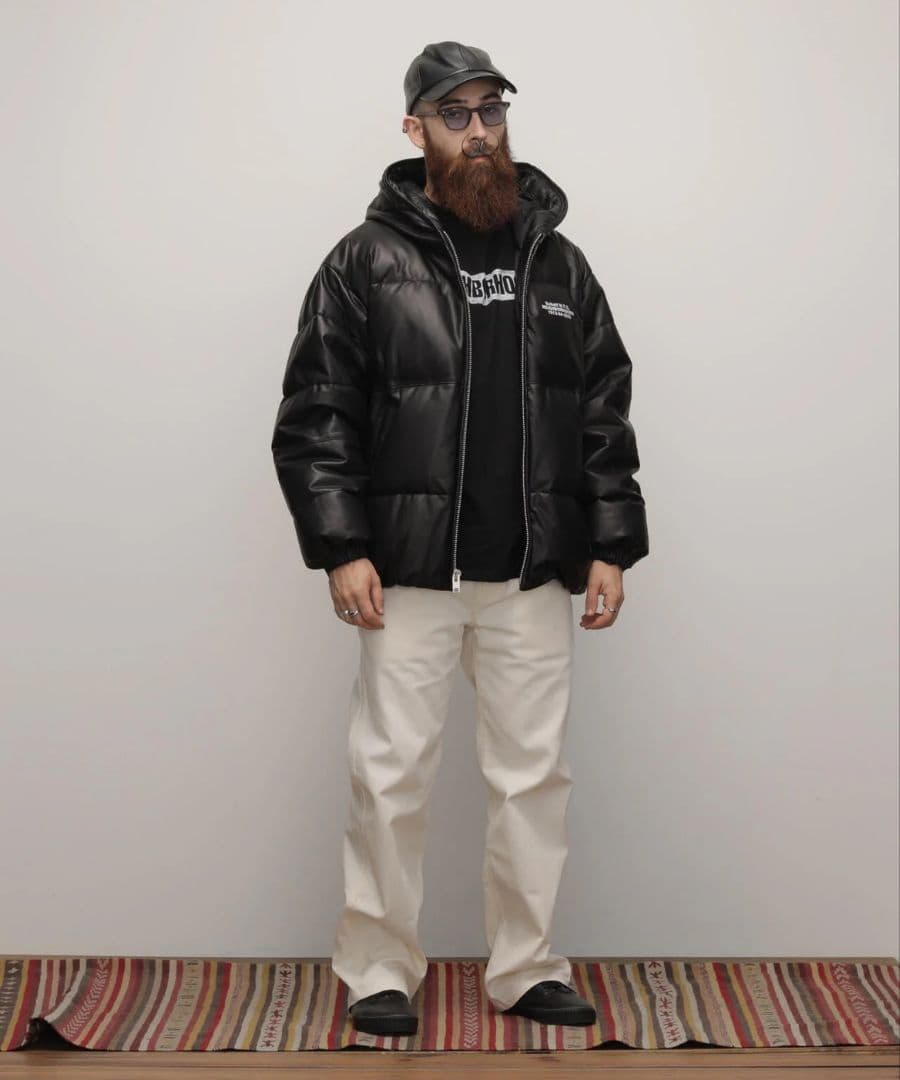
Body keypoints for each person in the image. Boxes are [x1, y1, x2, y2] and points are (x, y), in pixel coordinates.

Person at [271, 41, 650, 1036]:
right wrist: (342, 546)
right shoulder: (364, 262)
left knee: (533, 780)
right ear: (416, 130)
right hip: (409, 571)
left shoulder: (558, 262)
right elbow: (316, 413)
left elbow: (603, 409)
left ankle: (526, 968)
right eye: (456, 115)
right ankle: (378, 971)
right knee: (389, 775)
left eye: (491, 111)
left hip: (532, 572)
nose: (479, 132)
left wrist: (609, 544)